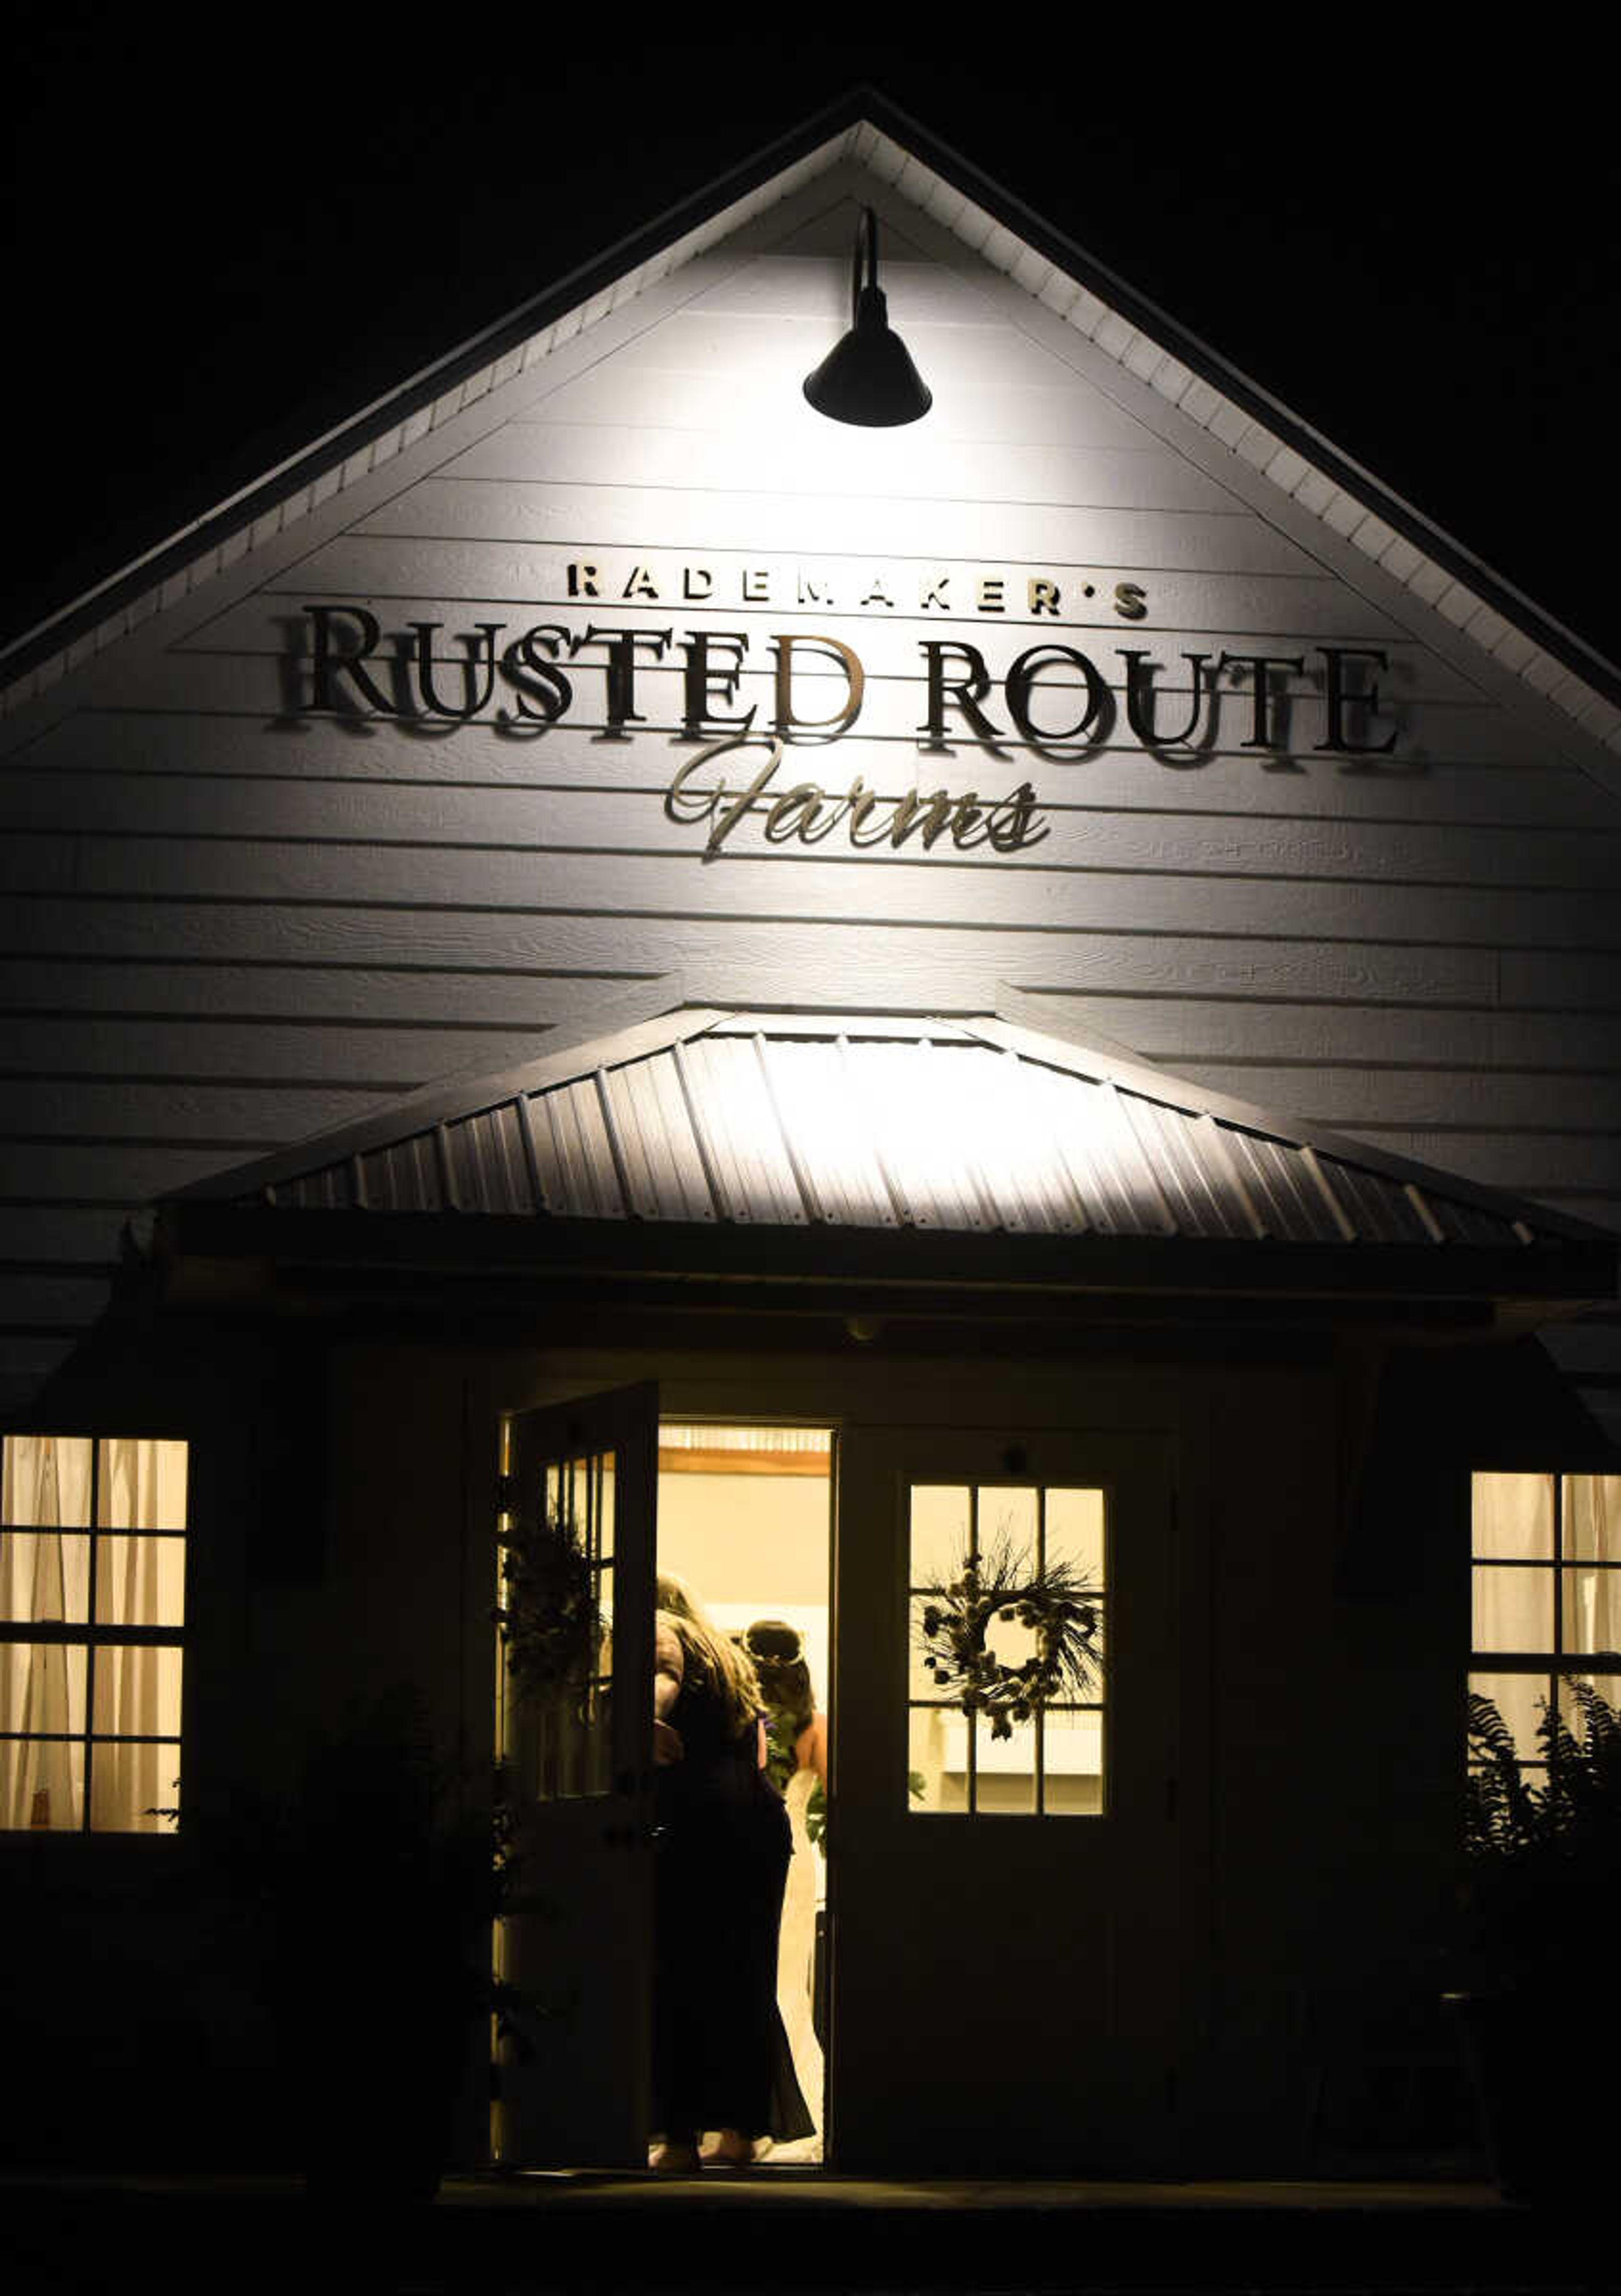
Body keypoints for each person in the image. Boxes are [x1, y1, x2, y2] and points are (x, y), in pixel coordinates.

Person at [649, 1590, 813, 2171]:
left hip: (700, 1820)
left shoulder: (662, 1630)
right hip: (753, 1818)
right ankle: (743, 2131)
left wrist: (641, 1722)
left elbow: (662, 1678)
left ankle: (679, 2138)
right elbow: (761, 1755)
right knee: (744, 1974)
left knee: (678, 1971)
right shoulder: (729, 1659)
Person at [739, 1618, 827, 2162]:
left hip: (746, 1853)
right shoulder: (815, 1727)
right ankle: (790, 2106)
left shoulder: (742, 1722)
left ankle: (754, 2109)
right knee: (788, 1981)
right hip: (793, 1860)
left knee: (752, 1977)